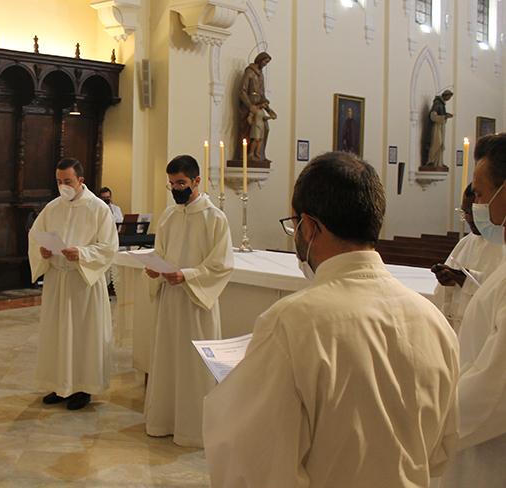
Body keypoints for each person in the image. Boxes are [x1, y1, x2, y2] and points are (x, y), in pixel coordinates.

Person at [202, 152, 459, 488]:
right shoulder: (434, 322)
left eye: (294, 224)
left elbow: (250, 461)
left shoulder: (291, 323)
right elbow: (441, 449)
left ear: (309, 227)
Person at [143, 155, 233, 447]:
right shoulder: (169, 216)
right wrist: (156, 270)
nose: (176, 189)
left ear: (197, 181)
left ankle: (193, 429)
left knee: (193, 367)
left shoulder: (215, 218)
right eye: (171, 184)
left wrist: (188, 275)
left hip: (196, 303)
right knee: (168, 360)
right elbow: (161, 253)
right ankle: (165, 421)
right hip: (170, 301)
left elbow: (221, 265)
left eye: (181, 183)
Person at [441, 132, 506, 486]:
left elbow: (495, 387)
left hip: (489, 454)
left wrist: (432, 428)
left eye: (480, 195)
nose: (475, 206)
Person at [28, 158, 118, 411]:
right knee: (57, 333)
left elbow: (109, 247)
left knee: (83, 336)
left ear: (81, 180)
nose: (63, 186)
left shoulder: (98, 209)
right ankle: (59, 384)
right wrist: (42, 252)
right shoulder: (53, 207)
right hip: (58, 279)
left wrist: (81, 253)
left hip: (83, 282)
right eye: (59, 181)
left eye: (67, 181)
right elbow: (35, 237)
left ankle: (82, 387)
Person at [431, 184, 505, 332]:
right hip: (460, 327)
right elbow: (442, 295)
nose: (469, 219)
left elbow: (500, 292)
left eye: (472, 212)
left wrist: (463, 279)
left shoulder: (502, 243)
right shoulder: (465, 243)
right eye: (465, 212)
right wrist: (448, 278)